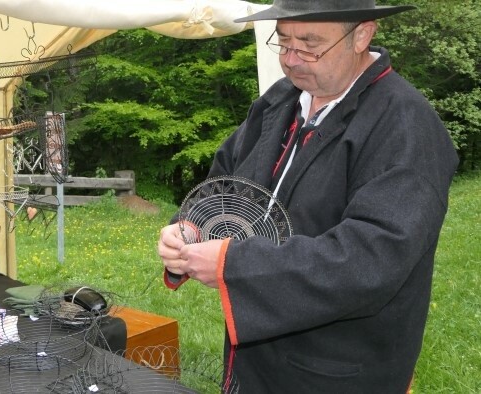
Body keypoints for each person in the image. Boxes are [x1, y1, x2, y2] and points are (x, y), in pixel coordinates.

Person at [157, 1, 459, 393]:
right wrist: (191, 228)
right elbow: (227, 183)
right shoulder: (280, 100)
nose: (292, 60)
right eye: (283, 43)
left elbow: (371, 259)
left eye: (311, 45)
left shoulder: (405, 124)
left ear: (362, 35)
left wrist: (235, 264)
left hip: (340, 368)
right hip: (255, 357)